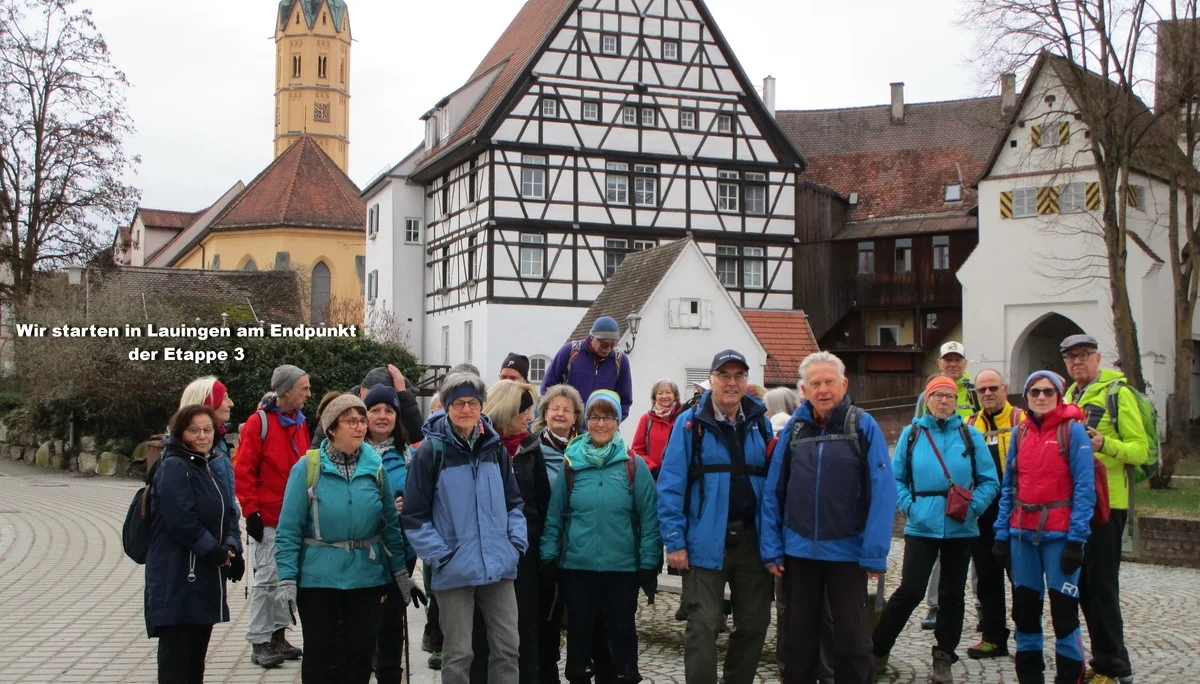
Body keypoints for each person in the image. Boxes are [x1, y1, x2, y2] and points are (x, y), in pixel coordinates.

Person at [758, 352, 895, 684]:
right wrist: (772, 548)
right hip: (798, 552)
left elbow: (883, 491)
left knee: (852, 642)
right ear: (803, 390)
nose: (823, 390)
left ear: (843, 384)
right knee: (797, 641)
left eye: (829, 382)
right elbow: (774, 491)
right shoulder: (794, 429)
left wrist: (875, 552)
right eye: (815, 384)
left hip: (847, 553)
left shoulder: (862, 425)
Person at [274, 393, 421, 684]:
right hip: (318, 580)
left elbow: (390, 527)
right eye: (351, 421)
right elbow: (288, 530)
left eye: (361, 421)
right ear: (331, 427)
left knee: (359, 657)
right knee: (320, 656)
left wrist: (401, 575)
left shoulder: (375, 466)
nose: (360, 427)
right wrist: (287, 579)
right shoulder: (308, 467)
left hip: (365, 578)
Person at [657, 349, 775, 684]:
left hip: (753, 541)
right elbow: (670, 486)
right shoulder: (690, 423)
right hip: (705, 540)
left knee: (754, 624)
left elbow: (772, 484)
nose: (731, 383)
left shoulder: (760, 423)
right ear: (711, 380)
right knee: (703, 625)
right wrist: (674, 541)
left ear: (746, 382)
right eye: (724, 375)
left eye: (739, 376)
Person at [402, 372, 528, 684]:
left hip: (499, 566)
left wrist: (514, 546)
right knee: (458, 654)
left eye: (472, 402)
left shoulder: (494, 448)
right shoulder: (431, 453)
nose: (466, 409)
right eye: (458, 403)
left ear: (481, 405)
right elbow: (414, 517)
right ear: (446, 406)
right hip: (454, 570)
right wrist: (442, 556)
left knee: (508, 648)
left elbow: (514, 503)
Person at [872, 375, 998, 684]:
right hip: (921, 524)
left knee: (952, 595)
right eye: (938, 395)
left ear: (957, 402)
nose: (944, 401)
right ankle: (876, 650)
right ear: (927, 399)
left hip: (960, 525)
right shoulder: (911, 434)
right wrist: (910, 506)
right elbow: (896, 477)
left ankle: (944, 655)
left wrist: (974, 507)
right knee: (910, 590)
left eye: (950, 396)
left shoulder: (970, 435)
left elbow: (990, 480)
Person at [541, 390, 662, 684]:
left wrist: (648, 564)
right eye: (595, 417)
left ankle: (624, 675)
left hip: (621, 568)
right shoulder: (571, 463)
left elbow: (649, 519)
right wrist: (547, 557)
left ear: (617, 421)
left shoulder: (633, 465)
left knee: (622, 631)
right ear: (587, 421)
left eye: (608, 417)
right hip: (578, 566)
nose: (601, 424)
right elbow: (555, 516)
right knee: (580, 630)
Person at [994, 371, 1096, 684]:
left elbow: (1084, 487)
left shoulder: (1073, 432)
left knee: (1064, 615)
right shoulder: (1021, 432)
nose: (1041, 397)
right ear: (1026, 397)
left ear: (1059, 396)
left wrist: (1076, 540)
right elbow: (1009, 485)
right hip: (1022, 537)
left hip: (1060, 536)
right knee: (1025, 613)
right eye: (1035, 391)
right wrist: (1001, 533)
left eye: (1048, 392)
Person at [1061, 334, 1149, 684]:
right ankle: (1100, 660)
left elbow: (1139, 450)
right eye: (1071, 357)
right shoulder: (1069, 395)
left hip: (1108, 505)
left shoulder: (1118, 394)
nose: (1077, 362)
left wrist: (1105, 443)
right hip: (1077, 505)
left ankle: (1114, 666)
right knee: (1082, 585)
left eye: (1084, 355)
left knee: (1101, 587)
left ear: (1098, 359)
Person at [145, 404, 241, 684]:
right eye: (194, 430)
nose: (202, 436)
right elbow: (181, 520)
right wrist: (215, 552)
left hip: (203, 577)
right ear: (180, 433)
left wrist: (232, 546)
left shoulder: (206, 464)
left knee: (195, 662)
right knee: (177, 662)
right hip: (177, 578)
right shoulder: (174, 466)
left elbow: (228, 511)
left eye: (208, 429)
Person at [234, 364, 311, 668]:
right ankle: (260, 640)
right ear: (287, 390)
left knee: (287, 578)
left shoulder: (299, 422)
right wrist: (250, 510)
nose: (308, 393)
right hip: (268, 517)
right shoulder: (259, 423)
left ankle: (277, 635)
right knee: (267, 580)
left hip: (294, 518)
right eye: (303, 387)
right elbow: (244, 469)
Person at [477, 380, 550, 684]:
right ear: (506, 411)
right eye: (524, 411)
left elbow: (542, 504)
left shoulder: (531, 449)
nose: (529, 417)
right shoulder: (480, 448)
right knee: (480, 631)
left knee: (524, 628)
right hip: (483, 554)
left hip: (524, 556)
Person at [918, 342, 981, 630]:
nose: (953, 364)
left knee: (976, 550)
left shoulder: (975, 390)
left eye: (958, 360)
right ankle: (935, 605)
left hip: (969, 470)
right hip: (937, 478)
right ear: (940, 363)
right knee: (937, 549)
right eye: (948, 360)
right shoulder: (927, 393)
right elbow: (918, 430)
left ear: (964, 363)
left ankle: (980, 605)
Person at [963, 369, 1026, 660]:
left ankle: (1027, 636)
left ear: (1005, 388)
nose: (987, 393)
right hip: (982, 512)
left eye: (993, 388)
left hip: (1015, 510)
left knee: (1021, 577)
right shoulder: (969, 424)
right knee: (987, 577)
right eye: (982, 390)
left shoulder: (1020, 421)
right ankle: (993, 638)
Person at [364, 384, 421, 684]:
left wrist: (408, 505)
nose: (382, 416)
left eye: (388, 410)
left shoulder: (408, 454)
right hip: (363, 553)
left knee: (391, 625)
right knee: (363, 626)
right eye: (375, 410)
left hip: (401, 551)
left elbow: (422, 497)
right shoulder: (354, 452)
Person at [530, 384, 588, 684]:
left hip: (581, 547)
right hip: (546, 547)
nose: (561, 413)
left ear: (577, 416)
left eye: (567, 409)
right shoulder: (532, 450)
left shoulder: (588, 450)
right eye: (555, 408)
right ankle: (547, 670)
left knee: (582, 616)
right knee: (546, 616)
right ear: (544, 413)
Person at [541, 316, 633, 421]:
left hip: (602, 428)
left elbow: (625, 400)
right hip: (570, 425)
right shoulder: (570, 352)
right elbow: (547, 387)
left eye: (613, 344)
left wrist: (613, 422)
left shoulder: (620, 361)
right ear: (592, 337)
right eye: (604, 344)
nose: (608, 349)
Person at [178, 377, 239, 519]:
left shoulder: (219, 443)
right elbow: (181, 513)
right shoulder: (185, 451)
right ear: (207, 404)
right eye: (224, 398)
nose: (231, 403)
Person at [631, 378, 683, 478]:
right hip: (654, 478)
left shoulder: (683, 417)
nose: (664, 396)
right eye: (660, 393)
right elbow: (637, 450)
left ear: (675, 396)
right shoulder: (647, 419)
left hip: (680, 477)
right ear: (655, 397)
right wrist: (653, 468)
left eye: (668, 392)